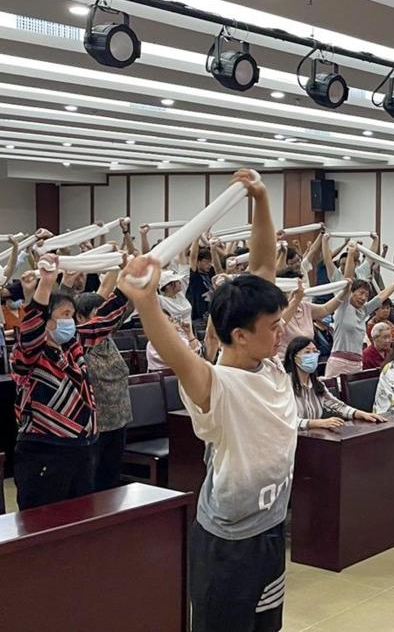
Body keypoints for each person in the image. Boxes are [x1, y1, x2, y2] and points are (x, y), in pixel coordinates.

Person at [118, 169, 294, 632]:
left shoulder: (269, 362)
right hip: (228, 545)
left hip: (271, 528)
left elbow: (263, 269)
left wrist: (261, 199)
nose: (281, 332)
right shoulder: (216, 385)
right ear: (240, 334)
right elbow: (176, 353)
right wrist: (145, 300)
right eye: (274, 326)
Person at [11, 256, 129, 509]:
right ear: (46, 321)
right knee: (45, 521)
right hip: (45, 451)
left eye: (73, 315)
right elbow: (31, 326)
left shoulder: (72, 344)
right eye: (65, 315)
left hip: (83, 448)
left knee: (81, 516)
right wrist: (46, 283)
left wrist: (127, 281)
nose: (71, 322)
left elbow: (104, 320)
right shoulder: (29, 353)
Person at [75, 290, 132, 492]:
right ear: (80, 318)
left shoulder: (108, 338)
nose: (107, 319)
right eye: (99, 313)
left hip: (119, 419)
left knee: (112, 479)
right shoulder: (80, 345)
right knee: (93, 481)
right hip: (95, 426)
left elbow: (126, 309)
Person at [324, 243, 394, 379]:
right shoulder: (344, 305)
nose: (363, 298)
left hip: (357, 364)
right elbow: (348, 280)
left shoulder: (363, 311)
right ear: (351, 293)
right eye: (360, 293)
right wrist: (351, 254)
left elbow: (381, 296)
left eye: (366, 295)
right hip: (339, 363)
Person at [284, 337, 385, 429]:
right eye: (307, 352)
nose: (312, 356)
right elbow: (285, 421)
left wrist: (361, 414)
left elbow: (337, 406)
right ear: (293, 357)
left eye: (315, 352)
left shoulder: (316, 384)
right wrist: (316, 423)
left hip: (312, 437)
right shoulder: (284, 385)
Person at [277, 282, 347, 360]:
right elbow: (280, 324)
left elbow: (326, 309)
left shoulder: (304, 306)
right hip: (285, 361)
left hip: (306, 360)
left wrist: (343, 293)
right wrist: (295, 300)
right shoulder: (278, 310)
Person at [187, 243, 215, 322]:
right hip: (199, 316)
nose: (209, 265)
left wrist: (213, 248)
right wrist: (196, 238)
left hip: (211, 313)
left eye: (210, 262)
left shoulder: (210, 273)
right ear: (198, 261)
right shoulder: (194, 275)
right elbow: (193, 257)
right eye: (206, 262)